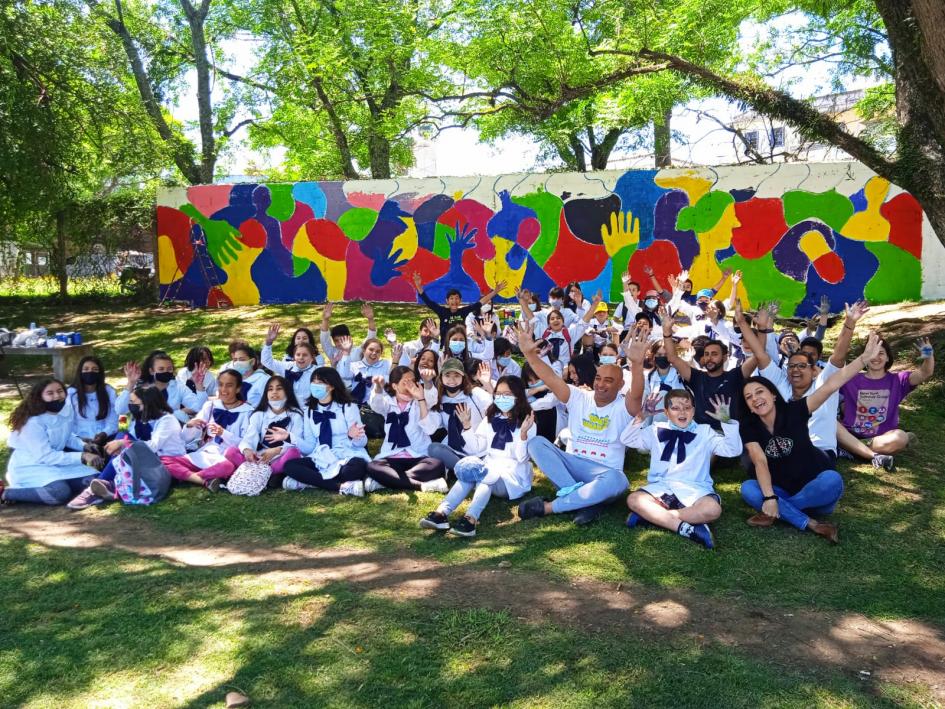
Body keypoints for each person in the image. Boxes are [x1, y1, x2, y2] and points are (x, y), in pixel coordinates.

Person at [739, 332, 885, 543]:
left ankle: (778, 511)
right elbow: (760, 461)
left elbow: (831, 385)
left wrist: (863, 359)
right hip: (779, 488)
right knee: (749, 489)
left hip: (814, 490)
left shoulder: (796, 410)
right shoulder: (750, 426)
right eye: (749, 397)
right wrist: (771, 495)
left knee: (832, 480)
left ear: (772, 394)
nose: (756, 399)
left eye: (759, 392)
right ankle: (813, 524)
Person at [516, 321, 648, 525]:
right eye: (598, 378)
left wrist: (637, 365)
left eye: (608, 381)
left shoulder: (625, 405)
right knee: (536, 443)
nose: (601, 384)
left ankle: (549, 507)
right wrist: (530, 356)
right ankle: (582, 499)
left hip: (604, 473)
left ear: (621, 385)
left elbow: (637, 394)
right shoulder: (578, 396)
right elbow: (551, 378)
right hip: (573, 467)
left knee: (618, 481)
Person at [621, 390, 742, 549]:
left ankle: (651, 517)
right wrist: (642, 415)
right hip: (662, 488)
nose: (682, 412)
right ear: (666, 412)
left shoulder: (705, 432)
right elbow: (627, 439)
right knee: (634, 499)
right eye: (675, 408)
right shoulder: (656, 429)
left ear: (693, 410)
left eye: (687, 407)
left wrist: (726, 421)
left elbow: (733, 450)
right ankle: (688, 528)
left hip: (696, 489)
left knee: (712, 509)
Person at [421, 376, 537, 537]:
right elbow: (476, 448)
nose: (502, 398)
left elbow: (522, 458)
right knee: (473, 472)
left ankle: (471, 519)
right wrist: (467, 425)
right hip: (490, 467)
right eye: (499, 394)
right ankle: (441, 513)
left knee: (484, 476)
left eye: (508, 394)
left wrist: (523, 433)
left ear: (518, 396)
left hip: (512, 478)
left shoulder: (528, 423)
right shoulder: (490, 419)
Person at [68, 385, 186, 509]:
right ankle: (106, 484)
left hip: (165, 464)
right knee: (122, 435)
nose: (130, 405)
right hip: (147, 460)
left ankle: (95, 490)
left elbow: (153, 446)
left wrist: (123, 444)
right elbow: (122, 418)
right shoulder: (140, 419)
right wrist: (122, 440)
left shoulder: (167, 420)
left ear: (147, 404)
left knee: (124, 445)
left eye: (133, 402)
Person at [2, 378, 102, 505]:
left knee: (96, 479)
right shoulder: (33, 422)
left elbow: (66, 436)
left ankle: (62, 484)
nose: (56, 396)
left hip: (57, 462)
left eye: (60, 391)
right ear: (40, 397)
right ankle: (6, 493)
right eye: (50, 393)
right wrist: (82, 456)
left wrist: (85, 447)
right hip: (32, 466)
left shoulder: (66, 410)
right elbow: (46, 456)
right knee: (59, 493)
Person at [660, 305, 758, 431]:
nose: (709, 358)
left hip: (728, 434)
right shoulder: (697, 377)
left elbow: (757, 356)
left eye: (714, 354)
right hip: (700, 433)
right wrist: (667, 332)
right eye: (706, 354)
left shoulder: (735, 375)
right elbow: (672, 358)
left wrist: (748, 325)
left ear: (725, 357)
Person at [838, 336, 935, 457]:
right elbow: (825, 381)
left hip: (881, 438)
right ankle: (856, 447)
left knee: (901, 437)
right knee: (833, 426)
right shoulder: (850, 378)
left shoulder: (898, 380)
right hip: (849, 433)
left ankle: (853, 447)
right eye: (872, 353)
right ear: (865, 356)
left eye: (881, 353)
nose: (876, 357)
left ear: (888, 357)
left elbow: (925, 373)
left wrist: (928, 355)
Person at [281, 367, 370, 496]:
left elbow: (362, 443)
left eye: (320, 382)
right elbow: (310, 447)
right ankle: (340, 486)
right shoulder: (309, 411)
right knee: (290, 466)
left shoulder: (348, 407)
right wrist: (289, 437)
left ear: (332, 386)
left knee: (354, 469)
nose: (315, 386)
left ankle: (309, 482)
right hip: (322, 457)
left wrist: (353, 437)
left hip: (347, 454)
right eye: (314, 382)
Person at [161, 369, 254, 490]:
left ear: (238, 389)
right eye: (220, 385)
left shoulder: (248, 412)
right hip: (205, 453)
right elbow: (185, 438)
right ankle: (202, 479)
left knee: (227, 467)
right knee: (164, 460)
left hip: (225, 457)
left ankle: (187, 476)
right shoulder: (210, 406)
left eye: (229, 385)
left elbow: (247, 443)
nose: (224, 389)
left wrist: (223, 433)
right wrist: (190, 425)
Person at [364, 365, 446, 492]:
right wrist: (378, 388)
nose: (410, 386)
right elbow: (376, 404)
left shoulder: (420, 401)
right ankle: (420, 485)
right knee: (372, 466)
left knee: (437, 465)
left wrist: (427, 383)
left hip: (417, 456)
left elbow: (431, 400)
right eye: (405, 382)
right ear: (395, 386)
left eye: (413, 381)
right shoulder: (388, 403)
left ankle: (386, 481)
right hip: (391, 457)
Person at [216, 376, 306, 490]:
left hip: (281, 455)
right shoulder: (259, 414)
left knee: (293, 453)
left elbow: (297, 440)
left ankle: (265, 474)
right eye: (270, 389)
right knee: (231, 452)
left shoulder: (296, 415)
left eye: (279, 388)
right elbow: (250, 436)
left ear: (287, 392)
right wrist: (248, 450)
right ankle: (269, 476)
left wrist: (278, 450)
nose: (274, 392)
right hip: (261, 457)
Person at [427, 358, 492, 472]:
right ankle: (465, 468)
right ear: (441, 377)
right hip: (453, 448)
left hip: (477, 448)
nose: (452, 379)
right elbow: (431, 426)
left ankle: (462, 469)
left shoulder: (475, 394)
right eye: (447, 375)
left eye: (457, 375)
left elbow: (496, 410)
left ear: (463, 378)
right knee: (433, 448)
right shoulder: (439, 399)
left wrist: (487, 385)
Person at [412, 272, 505, 343]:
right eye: (451, 298)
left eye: (457, 298)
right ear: (447, 301)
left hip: (461, 345)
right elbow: (428, 302)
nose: (454, 301)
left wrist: (495, 292)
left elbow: (481, 302)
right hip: (445, 347)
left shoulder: (464, 311)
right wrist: (419, 286)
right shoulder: (442, 311)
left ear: (460, 301)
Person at [117, 352, 205, 423]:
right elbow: (120, 410)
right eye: (161, 369)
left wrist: (199, 385)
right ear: (151, 371)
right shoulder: (140, 387)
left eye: (169, 369)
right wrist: (131, 383)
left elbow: (199, 407)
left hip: (167, 433)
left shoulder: (177, 386)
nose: (166, 372)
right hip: (140, 434)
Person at [261, 323, 320, 405]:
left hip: (308, 411)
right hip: (288, 409)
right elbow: (266, 361)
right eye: (298, 354)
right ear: (294, 356)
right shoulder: (288, 367)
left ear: (312, 357)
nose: (301, 357)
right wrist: (269, 342)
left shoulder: (317, 372)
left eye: (305, 355)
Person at [67, 355, 118, 442]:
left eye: (95, 369)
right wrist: (79, 439)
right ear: (80, 372)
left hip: (105, 437)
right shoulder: (71, 393)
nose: (90, 372)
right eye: (86, 369)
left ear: (100, 373)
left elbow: (113, 418)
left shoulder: (108, 391)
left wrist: (105, 433)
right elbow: (67, 422)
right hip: (78, 440)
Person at [227, 341, 270, 407]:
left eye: (242, 360)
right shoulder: (234, 380)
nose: (238, 363)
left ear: (252, 361)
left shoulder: (263, 379)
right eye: (235, 360)